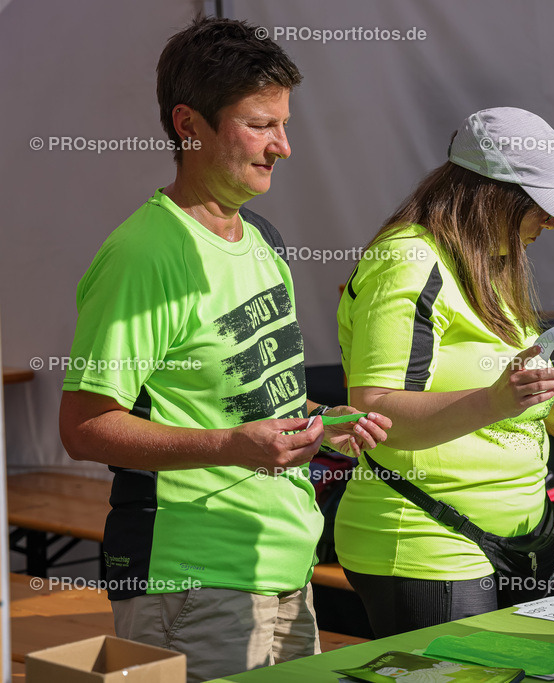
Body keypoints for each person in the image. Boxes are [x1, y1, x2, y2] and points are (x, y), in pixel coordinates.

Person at [57, 17, 390, 683]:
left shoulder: (262, 239)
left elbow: (250, 399)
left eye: (284, 123)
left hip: (284, 575)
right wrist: (235, 446)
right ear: (189, 124)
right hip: (193, 586)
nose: (284, 146)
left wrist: (320, 423)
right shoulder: (144, 254)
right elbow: (84, 425)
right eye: (260, 124)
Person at [335, 107, 554, 637]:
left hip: (520, 541)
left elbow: (491, 394)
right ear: (493, 197)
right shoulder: (409, 261)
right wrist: (499, 400)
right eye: (540, 208)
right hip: (429, 544)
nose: (550, 223)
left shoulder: (489, 259)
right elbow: (372, 410)